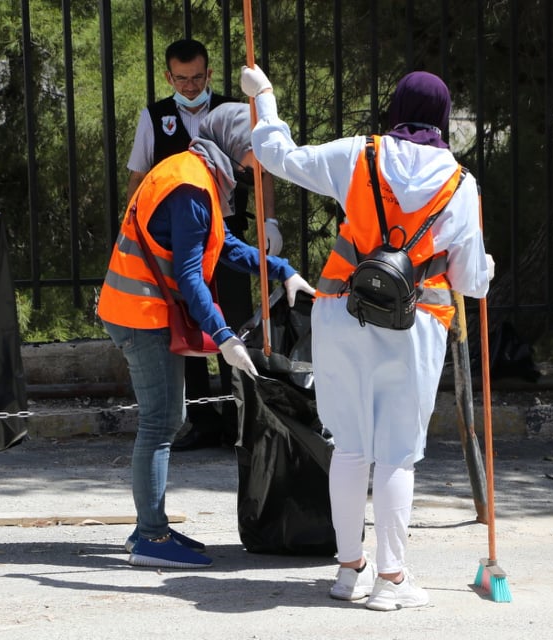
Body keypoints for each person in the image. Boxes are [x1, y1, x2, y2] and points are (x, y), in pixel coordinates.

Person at [241, 67, 494, 609]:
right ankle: (392, 580)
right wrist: (487, 266)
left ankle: (349, 570)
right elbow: (472, 281)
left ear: (396, 108)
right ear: (444, 119)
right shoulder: (460, 183)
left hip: (342, 313)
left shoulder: (361, 154)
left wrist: (264, 99)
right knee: (398, 456)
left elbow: (280, 157)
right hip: (415, 325)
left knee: (351, 449)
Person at [98, 102, 315, 568]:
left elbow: (223, 244)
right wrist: (223, 334)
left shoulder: (198, 172)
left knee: (166, 419)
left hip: (139, 308)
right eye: (262, 147)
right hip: (139, 312)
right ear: (239, 144)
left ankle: (151, 528)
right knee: (160, 423)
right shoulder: (193, 186)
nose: (266, 157)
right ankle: (150, 540)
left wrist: (282, 270)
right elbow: (191, 274)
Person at [126, 38, 284, 451]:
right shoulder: (156, 117)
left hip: (225, 226)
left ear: (209, 73)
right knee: (188, 320)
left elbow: (264, 166)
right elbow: (138, 176)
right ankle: (200, 418)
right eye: (182, 79)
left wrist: (270, 220)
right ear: (168, 77)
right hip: (173, 237)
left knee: (232, 320)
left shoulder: (233, 111)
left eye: (198, 77)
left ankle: (237, 417)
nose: (191, 85)